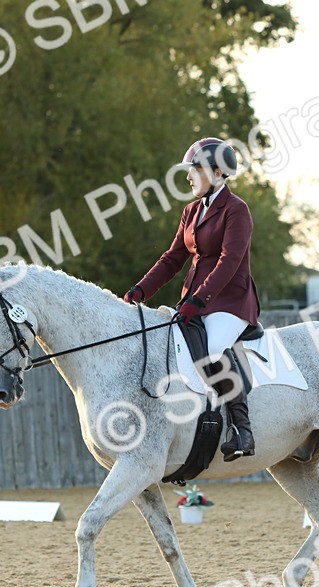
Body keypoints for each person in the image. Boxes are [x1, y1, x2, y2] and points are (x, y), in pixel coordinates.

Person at [123, 137, 260, 460]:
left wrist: (198, 300)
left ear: (216, 172)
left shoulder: (236, 210)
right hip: (196, 300)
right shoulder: (191, 211)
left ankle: (242, 430)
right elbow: (172, 259)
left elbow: (229, 261)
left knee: (213, 349)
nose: (188, 177)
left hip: (230, 300)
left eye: (194, 169)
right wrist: (140, 290)